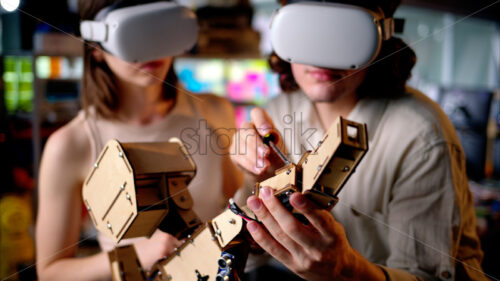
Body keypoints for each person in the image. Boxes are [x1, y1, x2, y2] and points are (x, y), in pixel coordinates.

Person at [231, 0, 488, 280]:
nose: (322, 56)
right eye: (305, 30)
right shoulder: (281, 110)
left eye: (346, 34)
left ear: (381, 39)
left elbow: (427, 276)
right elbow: (251, 252)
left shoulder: (421, 134)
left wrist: (345, 270)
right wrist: (261, 183)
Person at [35, 0, 242, 280]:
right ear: (96, 49)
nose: (149, 48)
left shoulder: (215, 112)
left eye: (157, 29)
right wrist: (137, 255)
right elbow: (50, 272)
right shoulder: (72, 143)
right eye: (132, 33)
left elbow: (239, 211)